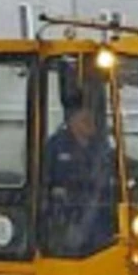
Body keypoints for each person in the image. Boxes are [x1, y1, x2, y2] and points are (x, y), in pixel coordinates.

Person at [43, 104, 116, 256]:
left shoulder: (100, 146)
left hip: (98, 207)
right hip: (65, 211)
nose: (91, 123)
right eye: (85, 120)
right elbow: (43, 178)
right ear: (72, 121)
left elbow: (116, 164)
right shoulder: (56, 146)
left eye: (92, 119)